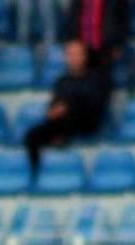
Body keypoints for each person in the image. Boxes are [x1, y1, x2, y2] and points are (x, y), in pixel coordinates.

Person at [23, 39, 109, 172]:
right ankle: (36, 172)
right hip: (62, 123)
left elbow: (96, 103)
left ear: (85, 56)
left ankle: (62, 138)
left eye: (78, 54)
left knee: (73, 108)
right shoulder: (62, 81)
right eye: (71, 54)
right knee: (32, 135)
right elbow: (55, 102)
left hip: (86, 122)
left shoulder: (96, 79)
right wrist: (52, 111)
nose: (74, 58)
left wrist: (68, 107)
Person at [64, 0, 129, 71]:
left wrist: (118, 44)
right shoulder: (77, 2)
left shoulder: (116, 2)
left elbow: (122, 23)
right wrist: (73, 43)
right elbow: (71, 22)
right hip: (82, 48)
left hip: (107, 49)